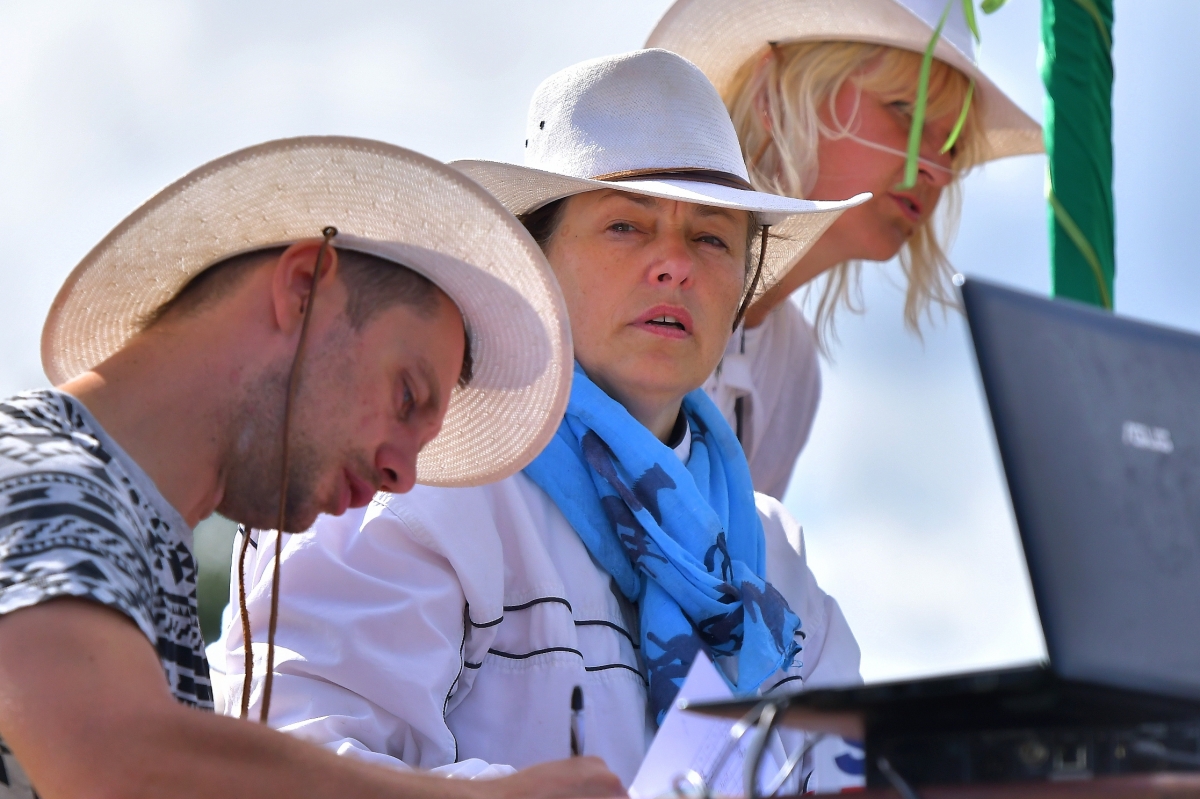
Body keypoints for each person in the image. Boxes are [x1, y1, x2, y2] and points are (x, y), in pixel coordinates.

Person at [219, 50, 866, 791]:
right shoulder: (425, 488)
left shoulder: (778, 562)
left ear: (743, 283)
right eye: (625, 226)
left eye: (711, 238)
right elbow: (292, 766)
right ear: (534, 265)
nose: (674, 265)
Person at [0, 136, 623, 799]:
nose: (403, 475)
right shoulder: (35, 467)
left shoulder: (120, 522)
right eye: (406, 395)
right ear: (302, 289)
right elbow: (117, 761)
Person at [647, 0, 1044, 499]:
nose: (939, 171)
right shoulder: (639, 285)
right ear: (775, 94)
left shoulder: (791, 369)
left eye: (954, 147)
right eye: (905, 111)